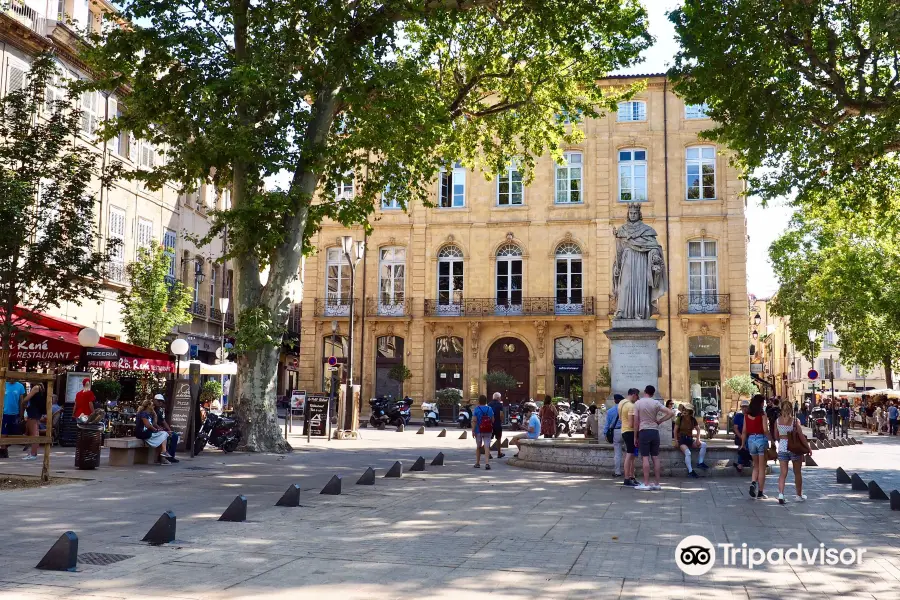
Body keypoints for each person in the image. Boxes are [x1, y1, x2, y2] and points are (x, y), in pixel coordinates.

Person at [633, 385, 675, 491]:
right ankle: (657, 483)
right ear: (653, 393)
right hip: (655, 431)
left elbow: (636, 422)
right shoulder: (656, 403)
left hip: (644, 431)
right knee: (655, 457)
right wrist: (660, 421)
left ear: (644, 391)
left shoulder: (638, 403)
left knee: (645, 457)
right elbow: (671, 413)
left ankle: (646, 483)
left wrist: (635, 436)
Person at [774, 399, 809, 504]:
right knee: (797, 472)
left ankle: (781, 494)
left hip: (782, 447)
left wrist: (781, 441)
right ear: (791, 409)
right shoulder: (795, 421)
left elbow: (776, 436)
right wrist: (808, 447)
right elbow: (801, 436)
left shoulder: (777, 421)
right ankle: (798, 495)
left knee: (783, 473)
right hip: (794, 447)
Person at [741, 394, 771, 499]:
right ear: (761, 403)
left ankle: (753, 483)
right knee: (762, 467)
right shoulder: (762, 414)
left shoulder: (746, 416)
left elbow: (744, 431)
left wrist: (742, 444)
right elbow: (765, 430)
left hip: (750, 441)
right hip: (761, 439)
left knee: (756, 465)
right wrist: (771, 439)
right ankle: (760, 493)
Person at [675, 404, 709, 478]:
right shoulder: (680, 418)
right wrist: (676, 441)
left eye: (687, 410)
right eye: (684, 410)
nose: (685, 411)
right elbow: (675, 430)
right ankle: (690, 471)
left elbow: (698, 429)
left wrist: (698, 439)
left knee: (703, 445)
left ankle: (700, 463)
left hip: (690, 439)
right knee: (688, 453)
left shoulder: (692, 419)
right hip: (682, 440)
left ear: (690, 411)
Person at [135, 398, 171, 465]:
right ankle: (163, 454)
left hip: (148, 432)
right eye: (152, 405)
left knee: (164, 434)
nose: (153, 407)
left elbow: (154, 424)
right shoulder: (143, 414)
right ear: (148, 406)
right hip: (143, 433)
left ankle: (163, 453)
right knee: (164, 435)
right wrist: (156, 430)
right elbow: (148, 425)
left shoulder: (149, 414)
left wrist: (155, 415)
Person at [21, 383, 48, 461]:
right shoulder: (42, 388)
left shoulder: (36, 387)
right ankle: (33, 453)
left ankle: (33, 454)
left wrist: (23, 402)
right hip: (36, 411)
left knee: (34, 433)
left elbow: (26, 399)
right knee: (34, 433)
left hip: (33, 412)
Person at [0, 379, 25, 458]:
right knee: (3, 431)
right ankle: (3, 450)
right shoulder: (3, 384)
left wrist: (21, 414)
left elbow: (21, 401)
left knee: (12, 432)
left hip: (15, 412)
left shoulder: (20, 386)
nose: (11, 379)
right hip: (4, 412)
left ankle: (5, 448)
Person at [619, 388, 639, 487]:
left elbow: (620, 418)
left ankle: (632, 476)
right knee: (630, 455)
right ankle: (627, 478)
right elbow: (632, 424)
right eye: (637, 396)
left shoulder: (621, 403)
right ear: (634, 395)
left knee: (631, 456)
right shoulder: (631, 406)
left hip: (623, 430)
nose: (637, 399)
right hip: (630, 432)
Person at [152, 394, 180, 463]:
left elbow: (163, 421)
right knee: (166, 436)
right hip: (153, 430)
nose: (160, 403)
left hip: (159, 429)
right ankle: (163, 456)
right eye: (158, 401)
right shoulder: (151, 410)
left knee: (174, 435)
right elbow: (152, 424)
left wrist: (169, 430)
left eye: (161, 401)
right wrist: (160, 429)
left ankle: (170, 456)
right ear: (154, 401)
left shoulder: (159, 411)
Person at [471, 394, 494, 470]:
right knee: (487, 446)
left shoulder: (476, 409)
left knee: (478, 447)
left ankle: (478, 463)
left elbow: (474, 420)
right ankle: (487, 463)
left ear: (479, 401)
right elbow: (493, 420)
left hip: (478, 430)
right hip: (488, 430)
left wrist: (473, 430)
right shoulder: (490, 409)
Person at [604, 394, 624, 477]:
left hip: (615, 431)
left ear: (615, 401)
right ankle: (630, 473)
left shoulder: (610, 411)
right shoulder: (626, 409)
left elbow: (607, 424)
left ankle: (617, 472)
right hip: (626, 431)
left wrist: (605, 433)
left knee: (617, 453)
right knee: (629, 453)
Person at [732, 399, 751, 473]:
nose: (744, 408)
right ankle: (743, 462)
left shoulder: (750, 416)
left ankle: (740, 464)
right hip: (740, 436)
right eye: (743, 407)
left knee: (747, 442)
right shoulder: (738, 416)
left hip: (749, 436)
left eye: (746, 407)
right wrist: (741, 437)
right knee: (744, 443)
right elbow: (735, 428)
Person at [488, 392, 505, 459]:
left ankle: (488, 453)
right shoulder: (500, 405)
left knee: (489, 439)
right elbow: (501, 414)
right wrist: (502, 420)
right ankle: (499, 453)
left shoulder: (489, 404)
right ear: (498, 398)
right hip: (497, 423)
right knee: (499, 438)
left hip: (490, 424)